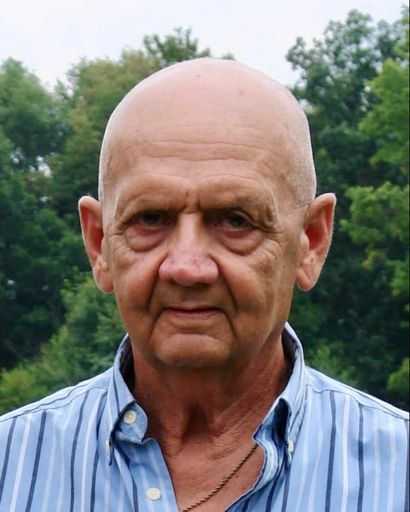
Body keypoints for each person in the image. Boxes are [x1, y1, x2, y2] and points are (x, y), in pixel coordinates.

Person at [0, 59, 408, 512]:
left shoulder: (399, 474)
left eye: (235, 221)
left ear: (310, 242)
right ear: (99, 244)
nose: (187, 268)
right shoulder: (9, 468)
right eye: (150, 219)